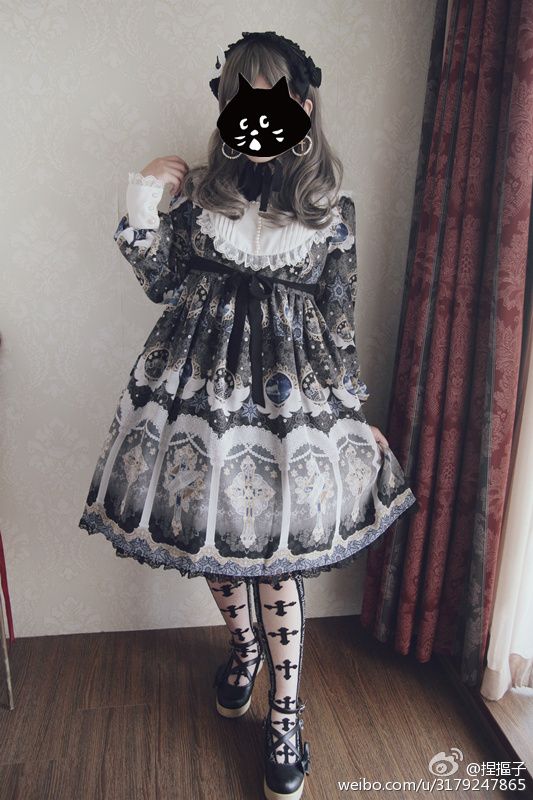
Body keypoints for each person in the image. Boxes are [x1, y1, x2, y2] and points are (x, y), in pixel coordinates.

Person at [78, 31, 417, 800]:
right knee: (212, 536)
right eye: (239, 95)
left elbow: (337, 327)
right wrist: (146, 194)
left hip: (289, 412)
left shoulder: (333, 215)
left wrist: (354, 416)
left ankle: (285, 714)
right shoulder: (200, 199)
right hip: (197, 404)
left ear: (303, 105)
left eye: (272, 94)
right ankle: (244, 648)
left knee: (277, 558)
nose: (255, 109)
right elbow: (160, 281)